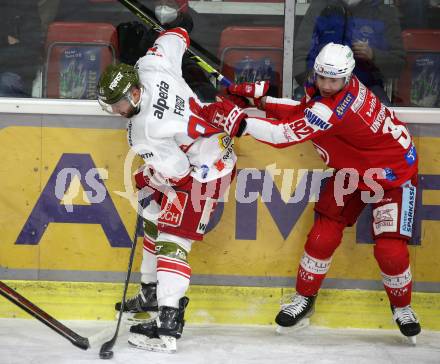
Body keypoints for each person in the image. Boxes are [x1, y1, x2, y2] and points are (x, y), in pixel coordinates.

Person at [197, 42, 421, 343]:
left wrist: (240, 123)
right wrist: (263, 102)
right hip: (353, 172)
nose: (327, 85)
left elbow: (282, 134)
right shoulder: (329, 92)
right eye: (322, 78)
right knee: (321, 236)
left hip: (393, 175)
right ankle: (304, 299)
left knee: (390, 250)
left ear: (347, 76)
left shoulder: (336, 108)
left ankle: (402, 307)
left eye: (334, 80)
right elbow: (303, 111)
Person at [97, 27, 235, 353]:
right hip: (208, 151)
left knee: (172, 240)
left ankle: (167, 326)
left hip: (203, 172)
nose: (115, 112)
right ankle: (150, 293)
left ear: (132, 95)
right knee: (151, 212)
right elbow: (178, 35)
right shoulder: (150, 65)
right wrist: (175, 23)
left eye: (116, 105)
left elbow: (176, 171)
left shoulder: (144, 132)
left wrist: (153, 178)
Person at [293, 0, 405, 104]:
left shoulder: (383, 13)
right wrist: (315, 80)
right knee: (300, 113)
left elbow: (398, 64)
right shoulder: (320, 7)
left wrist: (373, 55)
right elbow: (300, 55)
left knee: (384, 117)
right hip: (321, 87)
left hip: (367, 89)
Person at [116, 0, 217, 102]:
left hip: (184, 96)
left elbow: (201, 73)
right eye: (159, 4)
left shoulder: (200, 32)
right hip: (153, 92)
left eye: (169, 4)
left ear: (181, 7)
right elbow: (138, 64)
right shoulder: (148, 21)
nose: (162, 9)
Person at [0, 0, 43, 97]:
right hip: (9, 65)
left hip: (12, 73)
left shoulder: (25, 6)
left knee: (6, 84)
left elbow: (30, 50)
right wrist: (4, 39)